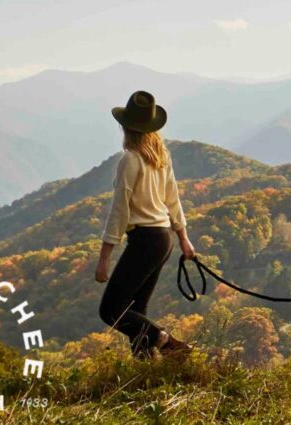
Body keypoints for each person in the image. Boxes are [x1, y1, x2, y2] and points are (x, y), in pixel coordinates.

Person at [94, 90, 196, 359]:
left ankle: (166, 341)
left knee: (111, 310)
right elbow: (172, 199)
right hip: (163, 238)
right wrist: (183, 238)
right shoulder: (161, 156)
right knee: (138, 308)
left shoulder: (130, 159)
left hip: (145, 240)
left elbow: (119, 210)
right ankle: (143, 372)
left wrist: (104, 257)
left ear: (126, 126)